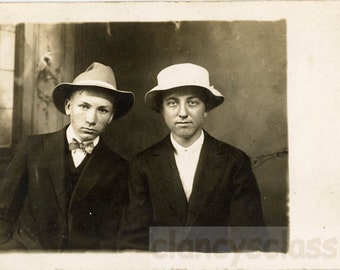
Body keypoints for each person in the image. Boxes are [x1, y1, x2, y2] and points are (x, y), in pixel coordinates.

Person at [118, 63, 266, 252]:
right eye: (172, 103)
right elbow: (132, 240)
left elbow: (251, 239)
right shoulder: (142, 164)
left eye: (192, 102)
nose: (182, 113)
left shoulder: (234, 161)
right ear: (162, 110)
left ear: (206, 109)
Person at [0, 62, 134, 250]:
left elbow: (112, 233)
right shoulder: (32, 148)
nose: (91, 119)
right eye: (84, 106)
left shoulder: (119, 167)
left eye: (102, 110)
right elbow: (3, 212)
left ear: (111, 116)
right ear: (68, 106)